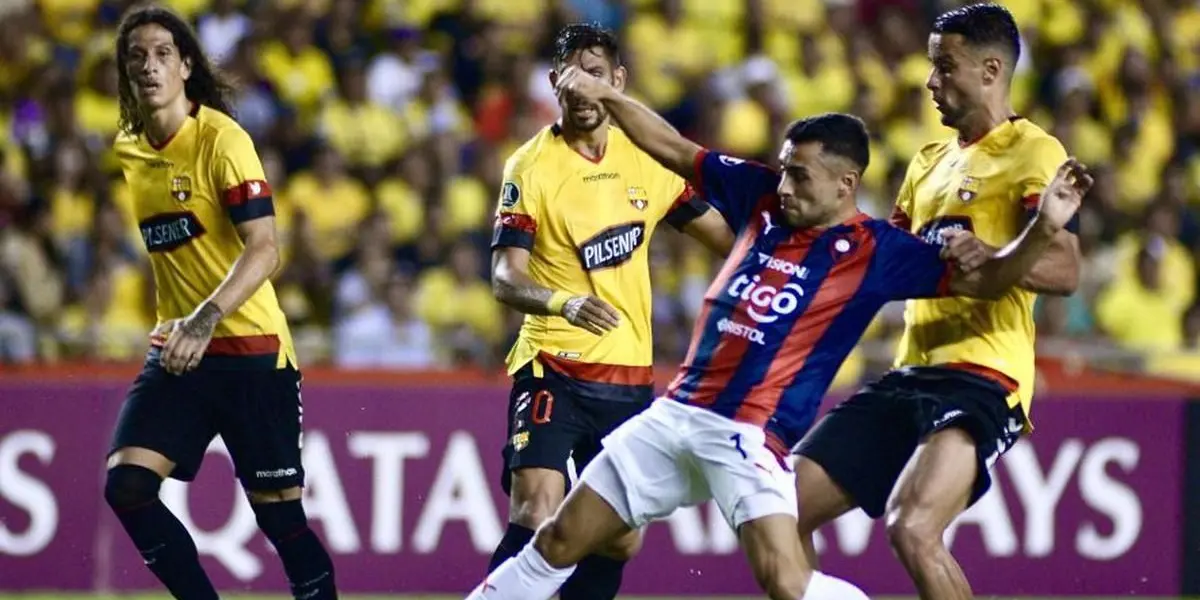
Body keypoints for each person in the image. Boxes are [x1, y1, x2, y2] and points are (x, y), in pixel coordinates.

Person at [466, 68, 1091, 599]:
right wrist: (608, 96)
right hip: (674, 415)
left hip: (747, 434)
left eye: (801, 177)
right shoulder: (761, 195)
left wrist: (1041, 230)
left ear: (845, 184)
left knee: (787, 583)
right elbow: (675, 149)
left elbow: (990, 281)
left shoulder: (879, 251)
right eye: (786, 170)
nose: (785, 186)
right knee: (558, 538)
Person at [791, 5, 1083, 599]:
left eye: (945, 66)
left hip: (982, 376)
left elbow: (1065, 269)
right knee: (779, 512)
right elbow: (885, 263)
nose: (930, 81)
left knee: (913, 528)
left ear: (990, 70)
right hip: (911, 370)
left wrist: (992, 251)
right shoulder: (928, 162)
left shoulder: (1033, 151)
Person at [486, 23, 734, 600]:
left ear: (617, 81)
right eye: (570, 78)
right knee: (536, 506)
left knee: (618, 540)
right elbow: (504, 277)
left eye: (594, 75)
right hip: (553, 365)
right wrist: (564, 302)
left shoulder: (646, 157)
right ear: (554, 82)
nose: (581, 89)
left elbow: (725, 239)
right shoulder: (530, 166)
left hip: (626, 376)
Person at [104, 7, 337, 599]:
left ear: (186, 66)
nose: (149, 66)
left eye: (163, 54)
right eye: (137, 56)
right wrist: (187, 327)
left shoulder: (223, 140)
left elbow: (265, 248)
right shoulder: (129, 147)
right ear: (125, 71)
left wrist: (205, 318)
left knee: (280, 520)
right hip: (179, 351)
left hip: (252, 352)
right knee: (127, 486)